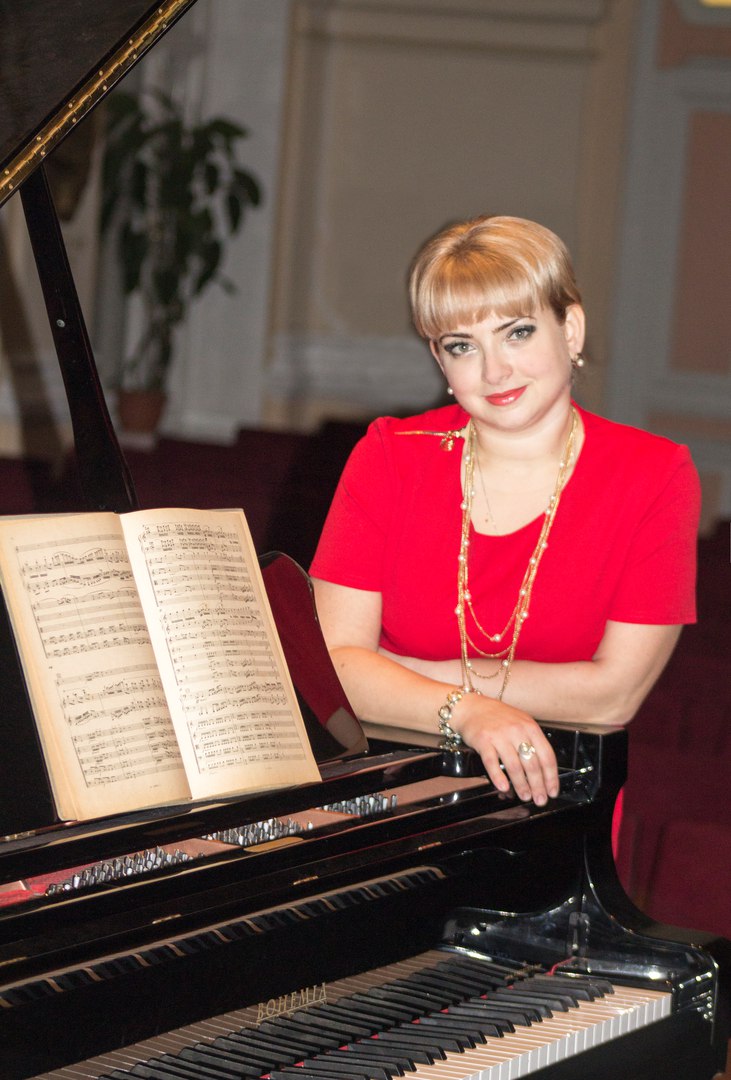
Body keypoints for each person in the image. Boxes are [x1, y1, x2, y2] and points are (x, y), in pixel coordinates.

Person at [310, 214, 700, 810]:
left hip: (556, 796)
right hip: (384, 786)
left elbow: (614, 697)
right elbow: (333, 669)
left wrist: (394, 672)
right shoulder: (389, 457)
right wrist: (467, 711)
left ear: (571, 329)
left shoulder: (654, 474)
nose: (494, 371)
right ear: (441, 361)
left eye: (517, 332)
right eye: (462, 346)